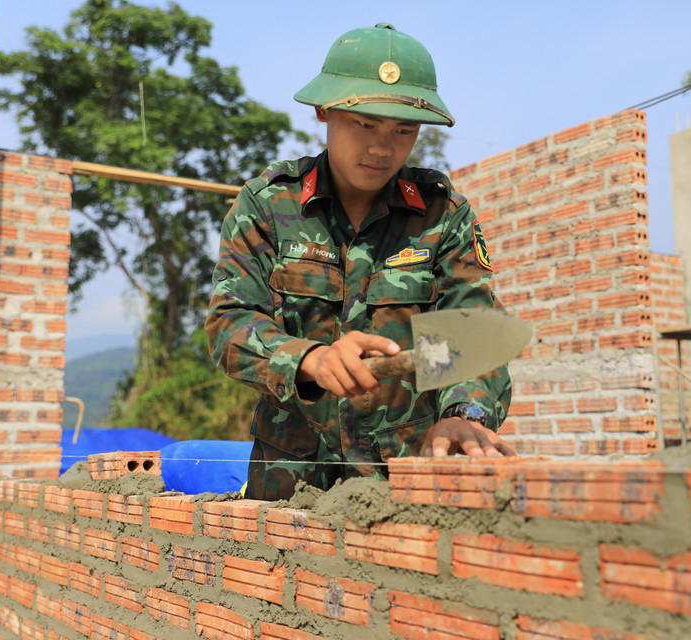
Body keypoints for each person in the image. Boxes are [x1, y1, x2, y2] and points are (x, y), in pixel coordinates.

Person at [205, 23, 514, 501]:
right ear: (323, 111)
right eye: (365, 124)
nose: (381, 148)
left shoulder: (442, 215)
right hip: (291, 485)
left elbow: (469, 333)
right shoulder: (267, 206)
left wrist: (464, 415)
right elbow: (228, 326)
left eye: (404, 130)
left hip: (405, 484)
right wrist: (311, 359)